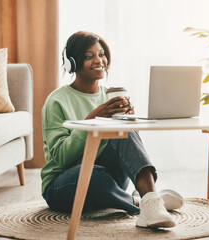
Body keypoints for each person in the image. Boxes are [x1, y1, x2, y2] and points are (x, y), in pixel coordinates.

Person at [40, 31, 182, 228]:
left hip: (109, 177)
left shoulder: (108, 97)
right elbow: (61, 158)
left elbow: (130, 151)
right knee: (94, 175)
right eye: (89, 56)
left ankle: (150, 199)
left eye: (102, 54)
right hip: (62, 184)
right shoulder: (56, 100)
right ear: (72, 63)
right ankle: (143, 202)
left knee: (123, 133)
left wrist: (128, 121)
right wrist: (92, 120)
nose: (99, 61)